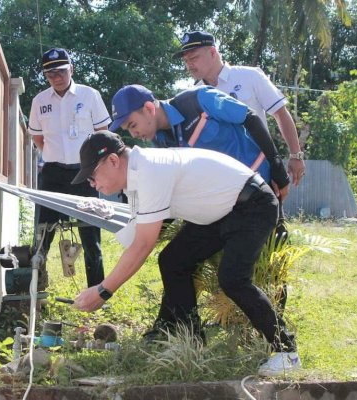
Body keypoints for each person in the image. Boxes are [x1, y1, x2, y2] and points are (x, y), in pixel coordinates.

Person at [71, 131, 301, 376]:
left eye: (92, 175)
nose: (92, 184)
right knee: (173, 261)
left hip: (253, 206)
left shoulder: (150, 170)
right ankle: (194, 342)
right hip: (222, 211)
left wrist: (104, 290)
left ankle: (287, 351)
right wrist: (104, 214)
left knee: (233, 279)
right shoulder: (136, 180)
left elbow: (143, 245)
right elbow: (133, 239)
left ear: (113, 161)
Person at [108, 84, 290, 200]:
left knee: (273, 251)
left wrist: (276, 165)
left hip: (262, 183)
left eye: (133, 125)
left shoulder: (198, 100)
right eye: (128, 130)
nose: (133, 133)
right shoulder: (158, 140)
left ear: (149, 108)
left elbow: (249, 118)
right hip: (225, 200)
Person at [175, 30, 306, 187]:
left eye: (194, 58)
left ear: (212, 52)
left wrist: (295, 155)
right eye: (186, 60)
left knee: (270, 211)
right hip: (221, 180)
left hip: (260, 171)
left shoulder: (249, 77)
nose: (189, 65)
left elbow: (280, 114)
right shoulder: (194, 95)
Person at [27, 47, 111, 287]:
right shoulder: (39, 101)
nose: (56, 77)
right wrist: (52, 155)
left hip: (84, 174)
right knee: (43, 233)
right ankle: (37, 286)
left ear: (71, 69)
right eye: (50, 74)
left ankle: (97, 291)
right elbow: (37, 137)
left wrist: (96, 166)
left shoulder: (89, 95)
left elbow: (102, 133)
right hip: (53, 174)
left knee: (90, 235)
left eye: (61, 71)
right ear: (45, 76)